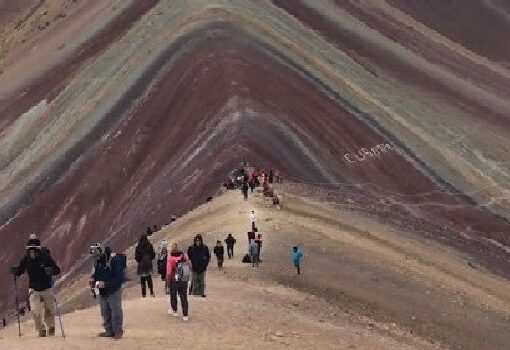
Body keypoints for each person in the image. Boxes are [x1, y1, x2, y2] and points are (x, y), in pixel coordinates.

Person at [11, 234, 60, 337]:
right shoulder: (26, 258)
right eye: (30, 250)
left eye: (33, 250)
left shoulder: (45, 257)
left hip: (47, 287)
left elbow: (57, 269)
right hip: (33, 288)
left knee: (49, 309)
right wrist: (15, 271)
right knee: (35, 311)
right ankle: (41, 330)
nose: (32, 252)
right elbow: (21, 270)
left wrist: (51, 271)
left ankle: (51, 326)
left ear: (38, 249)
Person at [91, 245, 125, 339]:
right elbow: (96, 275)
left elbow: (119, 278)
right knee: (105, 311)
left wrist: (106, 284)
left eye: (96, 256)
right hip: (102, 291)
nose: (95, 258)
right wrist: (94, 285)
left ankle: (118, 331)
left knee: (115, 311)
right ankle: (109, 330)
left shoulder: (114, 261)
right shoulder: (98, 263)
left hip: (113, 290)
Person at [166, 243, 191, 321]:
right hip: (184, 279)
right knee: (184, 296)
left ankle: (175, 311)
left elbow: (169, 271)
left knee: (173, 295)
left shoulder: (171, 258)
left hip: (174, 279)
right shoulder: (184, 255)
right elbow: (189, 264)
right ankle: (185, 315)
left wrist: (168, 280)